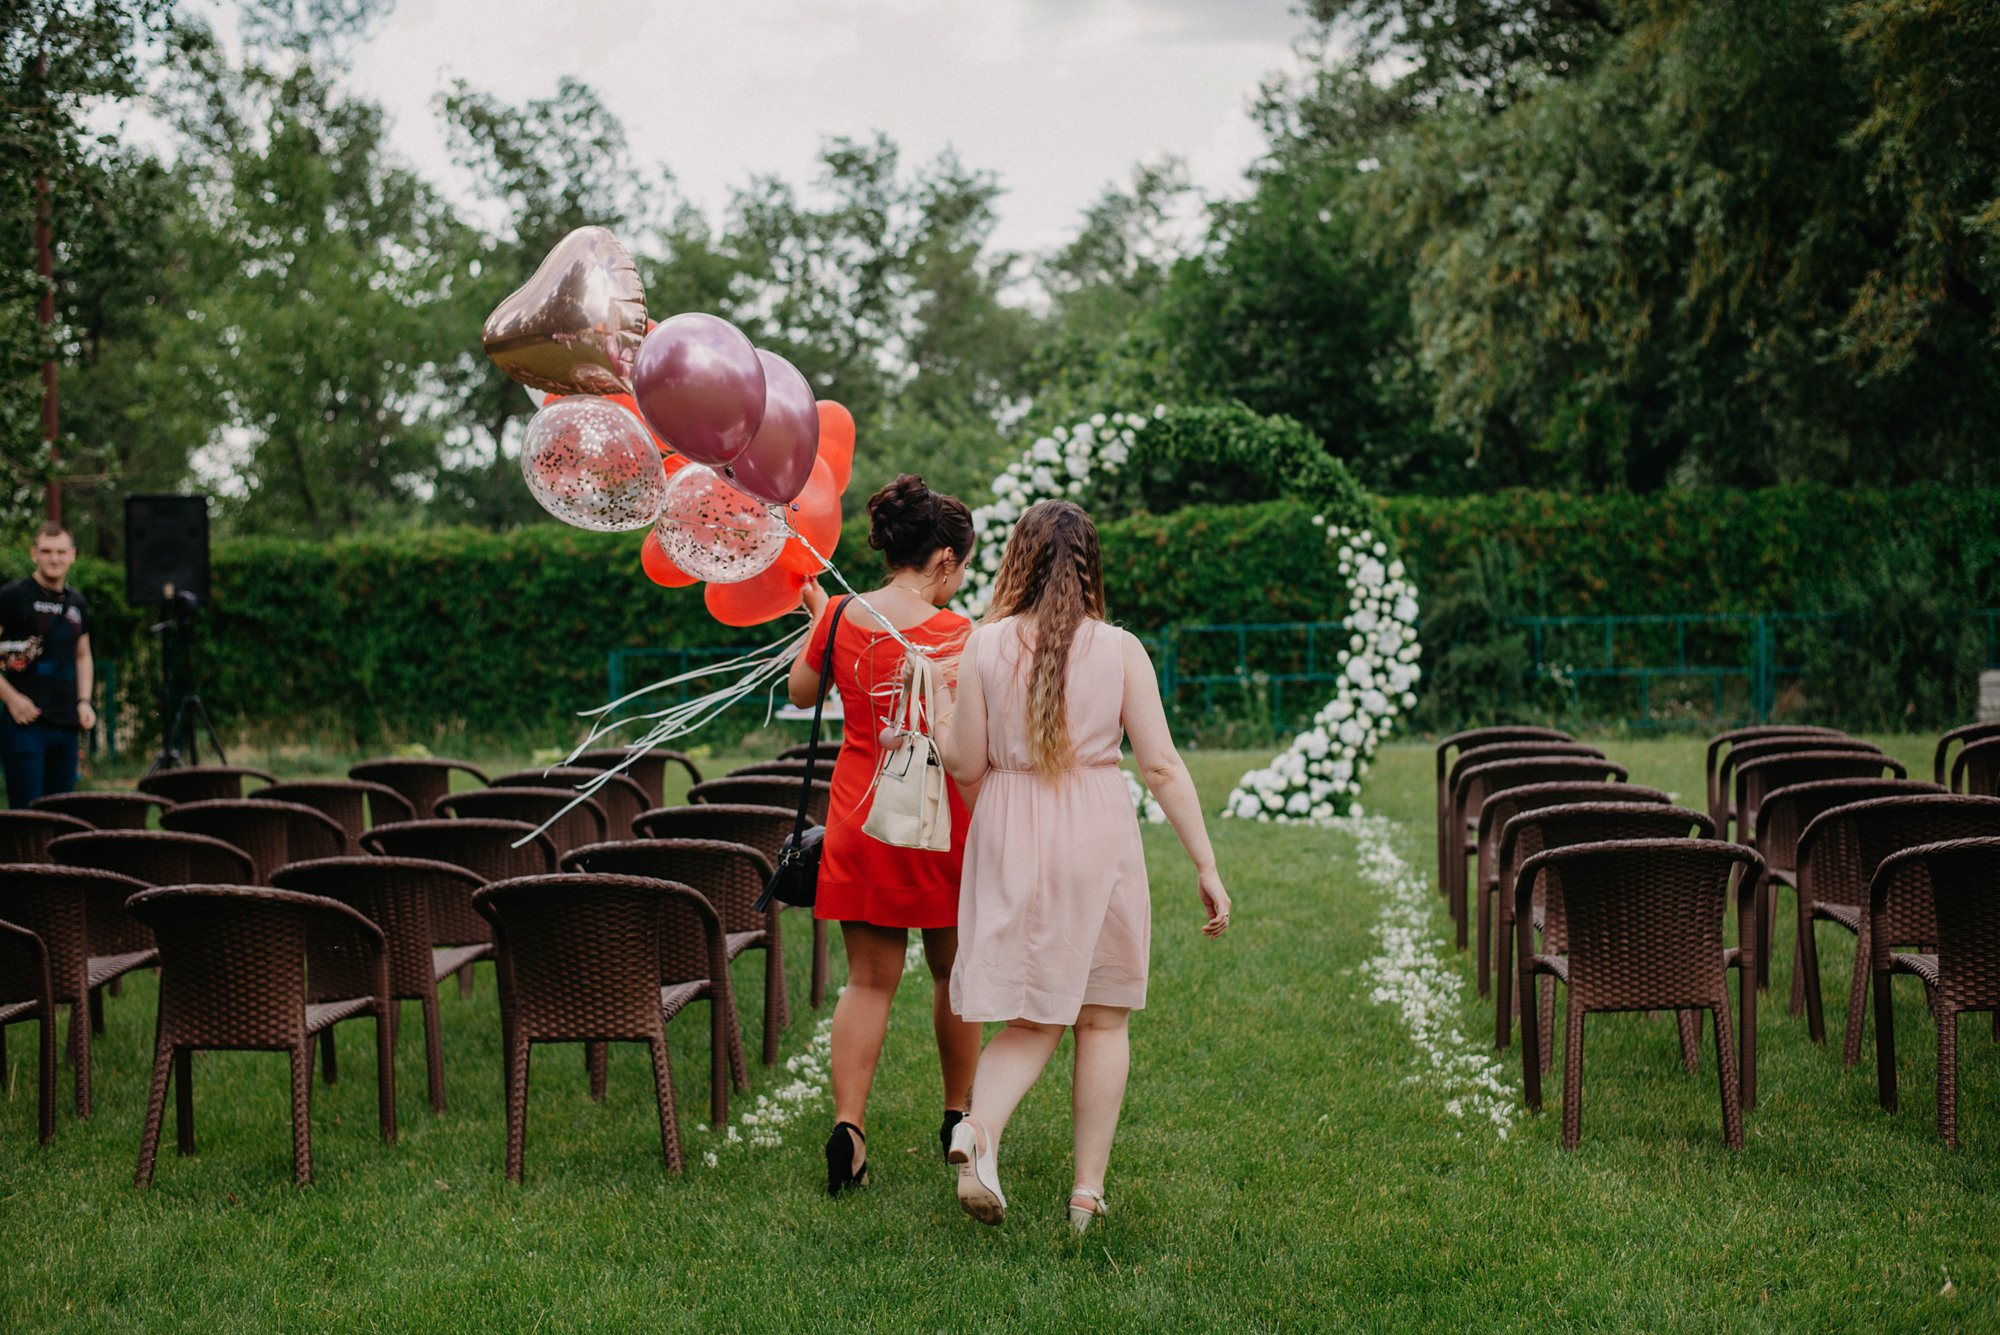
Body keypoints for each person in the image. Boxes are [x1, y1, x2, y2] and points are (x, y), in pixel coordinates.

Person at [940, 498, 1230, 1234]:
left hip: (1009, 829)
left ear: (1018, 560)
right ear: (1090, 564)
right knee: (1101, 1019)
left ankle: (979, 1128)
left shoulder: (982, 644)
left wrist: (944, 716)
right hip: (1097, 833)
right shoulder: (1121, 648)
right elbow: (1161, 765)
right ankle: (1084, 1197)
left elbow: (967, 763)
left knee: (1035, 1014)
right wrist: (1206, 862)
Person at [787, 474, 981, 1197]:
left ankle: (849, 1129)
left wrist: (817, 621)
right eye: (961, 567)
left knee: (868, 980)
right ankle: (957, 1116)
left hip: (862, 817)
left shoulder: (838, 614)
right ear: (940, 560)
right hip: (941, 824)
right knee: (952, 974)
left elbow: (802, 695)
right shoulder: (963, 633)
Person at [0, 522, 97, 809]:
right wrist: (12, 699)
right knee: (28, 818)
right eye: (46, 551)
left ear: (73, 554)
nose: (54, 558)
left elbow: (83, 656)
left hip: (67, 727)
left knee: (60, 818)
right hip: (25, 727)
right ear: (34, 554)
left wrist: (84, 701)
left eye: (60, 551)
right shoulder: (12, 596)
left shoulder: (78, 603)